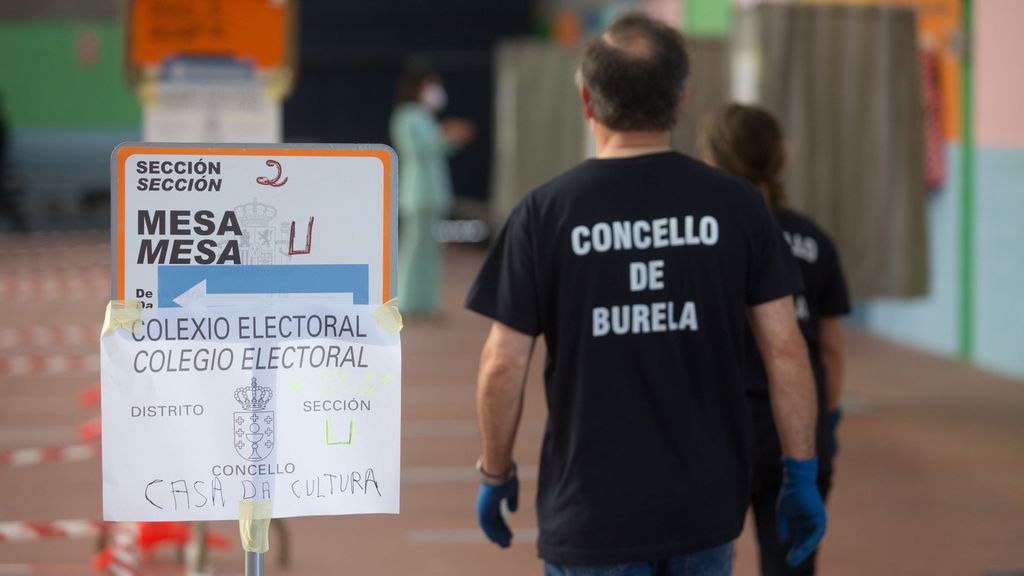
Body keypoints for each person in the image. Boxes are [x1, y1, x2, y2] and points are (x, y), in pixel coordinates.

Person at [465, 14, 826, 576]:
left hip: (591, 513)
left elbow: (503, 362)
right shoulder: (738, 206)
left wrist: (496, 471)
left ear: (587, 101)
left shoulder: (545, 214)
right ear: (681, 99)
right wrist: (800, 472)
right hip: (703, 510)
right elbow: (786, 349)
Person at [699, 104, 850, 576]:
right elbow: (828, 347)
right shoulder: (812, 239)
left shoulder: (701, 238)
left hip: (714, 436)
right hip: (797, 439)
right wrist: (825, 415)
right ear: (782, 157)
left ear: (711, 157)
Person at [389, 65, 474, 317]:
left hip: (434, 192)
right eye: (430, 85)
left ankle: (427, 302)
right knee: (413, 249)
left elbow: (440, 148)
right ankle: (405, 301)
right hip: (417, 193)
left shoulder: (425, 116)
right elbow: (417, 149)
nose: (436, 91)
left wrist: (452, 138)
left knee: (431, 250)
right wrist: (445, 135)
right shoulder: (406, 115)